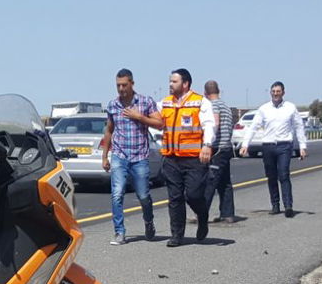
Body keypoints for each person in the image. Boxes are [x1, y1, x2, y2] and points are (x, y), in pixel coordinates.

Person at [126, 68, 214, 247]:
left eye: (174, 82)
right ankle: (177, 235)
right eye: (170, 81)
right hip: (172, 159)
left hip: (194, 158)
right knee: (174, 198)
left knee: (193, 195)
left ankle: (202, 216)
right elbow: (153, 118)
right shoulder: (165, 103)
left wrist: (207, 145)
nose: (170, 85)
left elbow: (210, 124)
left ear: (185, 84)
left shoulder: (200, 102)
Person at [101, 68, 159, 244]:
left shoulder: (145, 101)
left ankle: (148, 222)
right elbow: (109, 130)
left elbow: (160, 123)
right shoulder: (113, 105)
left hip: (139, 156)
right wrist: (105, 156)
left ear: (132, 83)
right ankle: (119, 232)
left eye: (124, 85)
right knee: (117, 194)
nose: (121, 89)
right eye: (118, 85)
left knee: (143, 195)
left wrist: (139, 116)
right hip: (119, 155)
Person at [241, 81, 306, 217]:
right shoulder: (264, 109)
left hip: (284, 145)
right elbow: (253, 127)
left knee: (284, 174)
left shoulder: (290, 108)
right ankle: (275, 205)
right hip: (268, 146)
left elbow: (299, 126)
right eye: (273, 91)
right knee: (271, 176)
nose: (276, 94)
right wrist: (245, 144)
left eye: (278, 91)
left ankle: (288, 206)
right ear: (271, 93)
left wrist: (302, 146)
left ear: (283, 92)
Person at [201, 79, 236, 224]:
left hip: (217, 149)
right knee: (225, 182)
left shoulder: (213, 105)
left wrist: (206, 143)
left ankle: (201, 214)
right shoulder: (226, 106)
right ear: (218, 91)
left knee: (210, 182)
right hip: (227, 148)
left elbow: (214, 124)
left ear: (205, 93)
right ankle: (227, 214)